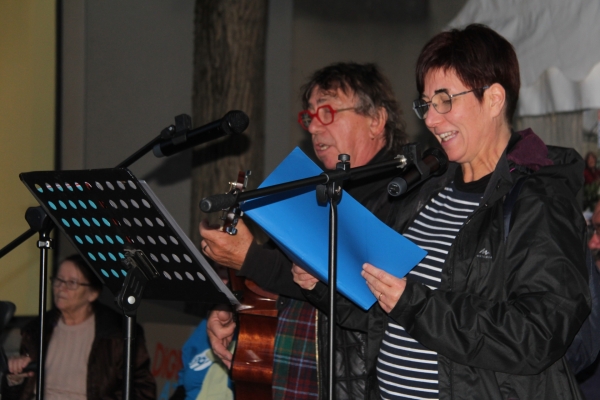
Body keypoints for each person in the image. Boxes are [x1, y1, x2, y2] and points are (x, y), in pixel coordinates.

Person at [294, 24, 590, 399]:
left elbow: (538, 334)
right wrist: (322, 283)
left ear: (495, 99)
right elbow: (381, 312)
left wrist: (416, 305)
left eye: (445, 100)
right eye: (426, 104)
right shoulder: (426, 194)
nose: (431, 120)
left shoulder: (539, 201)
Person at [200, 62, 408, 399]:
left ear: (376, 120)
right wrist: (232, 301)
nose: (313, 127)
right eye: (309, 115)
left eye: (327, 111)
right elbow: (274, 274)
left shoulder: (403, 194)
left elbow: (358, 296)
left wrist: (249, 258)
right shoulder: (316, 190)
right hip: (296, 370)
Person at [3, 254, 156, 400]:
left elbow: (143, 391)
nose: (61, 288)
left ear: (93, 294)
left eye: (72, 283)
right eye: (59, 280)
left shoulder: (117, 332)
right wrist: (15, 379)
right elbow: (14, 396)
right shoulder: (37, 329)